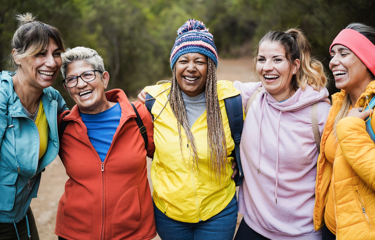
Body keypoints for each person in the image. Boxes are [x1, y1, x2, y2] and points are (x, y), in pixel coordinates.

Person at [138, 19, 240, 240]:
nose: (191, 68)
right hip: (169, 214)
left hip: (218, 212)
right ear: (175, 66)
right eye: (183, 60)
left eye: (200, 61)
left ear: (210, 67)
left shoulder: (231, 100)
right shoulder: (154, 103)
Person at [233, 28, 330, 240]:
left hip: (302, 233)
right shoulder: (253, 96)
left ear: (294, 66)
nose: (267, 67)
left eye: (277, 59)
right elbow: (207, 89)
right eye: (261, 59)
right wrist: (157, 92)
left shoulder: (319, 114)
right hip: (253, 227)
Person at [55, 47, 156, 240]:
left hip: (132, 234)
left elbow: (171, 156)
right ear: (67, 87)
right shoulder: (62, 126)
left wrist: (231, 159)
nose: (81, 84)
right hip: (75, 233)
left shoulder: (138, 117)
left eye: (87, 75)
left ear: (105, 79)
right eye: (72, 79)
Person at [0, 13, 67, 240]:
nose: (52, 62)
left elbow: (82, 126)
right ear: (17, 57)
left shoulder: (52, 99)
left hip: (20, 210)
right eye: (40, 54)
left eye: (56, 54)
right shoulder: (2, 97)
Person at [314, 23, 375, 240]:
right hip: (332, 228)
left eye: (343, 53)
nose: (333, 61)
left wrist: (350, 129)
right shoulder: (340, 105)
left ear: (367, 59)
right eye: (332, 54)